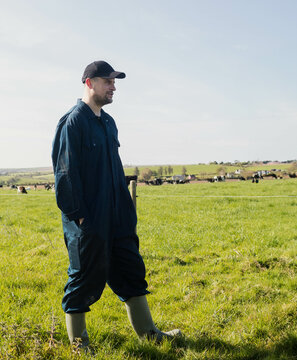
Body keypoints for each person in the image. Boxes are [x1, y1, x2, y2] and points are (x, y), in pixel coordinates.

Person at [51, 61, 181, 347]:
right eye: (108, 81)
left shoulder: (108, 123)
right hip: (89, 220)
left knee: (131, 269)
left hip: (118, 217)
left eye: (114, 82)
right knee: (84, 277)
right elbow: (65, 175)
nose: (113, 87)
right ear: (89, 83)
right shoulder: (72, 122)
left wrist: (125, 212)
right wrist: (80, 218)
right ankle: (79, 345)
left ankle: (149, 334)